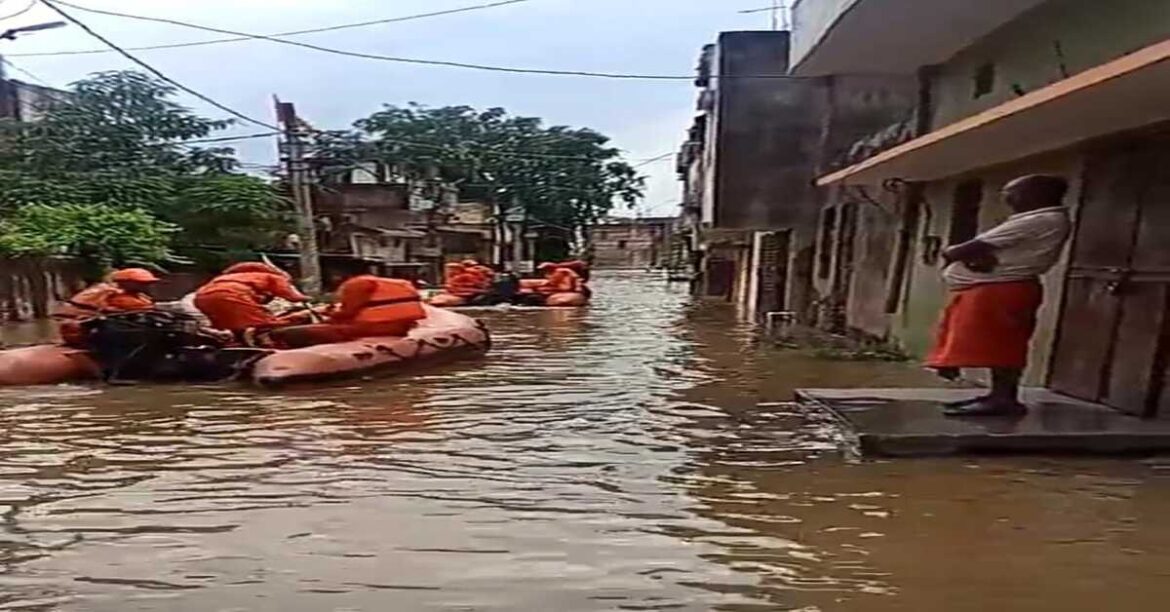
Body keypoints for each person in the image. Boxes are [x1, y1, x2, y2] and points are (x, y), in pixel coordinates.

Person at [928, 174, 1072, 417]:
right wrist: (975, 257)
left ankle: (1004, 399)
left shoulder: (1038, 219)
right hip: (994, 286)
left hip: (1003, 288)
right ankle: (998, 395)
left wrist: (964, 254)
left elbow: (958, 251)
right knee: (991, 342)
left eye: (1013, 193)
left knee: (1002, 344)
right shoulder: (1036, 219)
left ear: (1036, 194)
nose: (1007, 198)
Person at [270, 275, 426, 348]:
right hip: (400, 327)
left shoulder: (357, 286)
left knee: (285, 333)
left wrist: (330, 316)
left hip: (373, 329)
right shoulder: (399, 283)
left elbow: (346, 314)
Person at [193, 263, 310, 340]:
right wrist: (308, 300)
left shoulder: (236, 276)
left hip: (202, 296)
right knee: (263, 324)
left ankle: (234, 343)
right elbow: (293, 297)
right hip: (231, 294)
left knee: (230, 324)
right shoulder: (276, 277)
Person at [54, 268, 160, 347]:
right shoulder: (117, 296)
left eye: (147, 283)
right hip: (94, 330)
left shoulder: (134, 295)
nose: (146, 285)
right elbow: (144, 307)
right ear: (127, 282)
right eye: (142, 283)